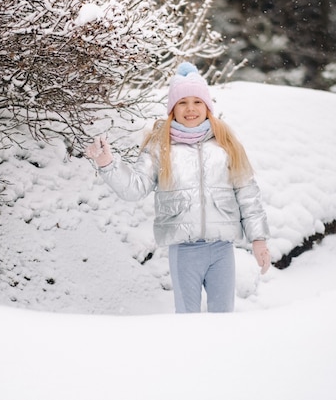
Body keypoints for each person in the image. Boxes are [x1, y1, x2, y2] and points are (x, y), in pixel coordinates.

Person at [84, 62, 271, 313]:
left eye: (197, 102)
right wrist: (107, 164)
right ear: (173, 109)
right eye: (182, 102)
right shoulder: (160, 147)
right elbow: (135, 188)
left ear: (207, 106)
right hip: (185, 251)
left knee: (224, 319)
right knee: (187, 320)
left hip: (222, 250)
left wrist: (258, 240)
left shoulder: (226, 145)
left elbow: (248, 196)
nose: (190, 109)